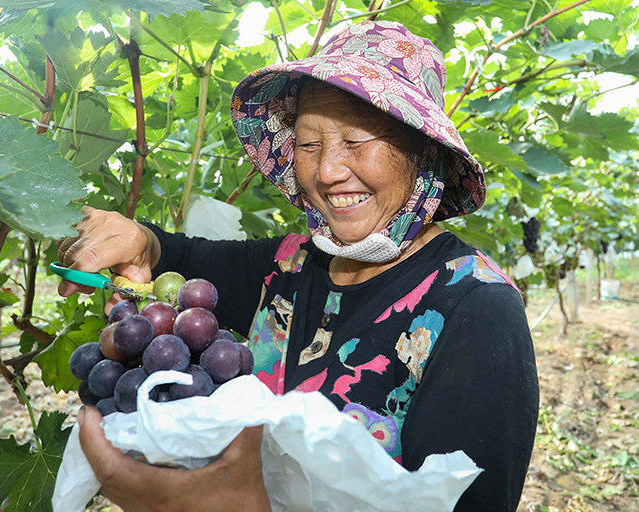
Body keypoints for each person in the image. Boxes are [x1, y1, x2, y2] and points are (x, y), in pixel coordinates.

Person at [57, 20, 539, 512]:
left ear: (423, 153)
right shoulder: (290, 264)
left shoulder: (478, 311)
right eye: (309, 144)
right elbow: (183, 257)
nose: (327, 171)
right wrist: (141, 242)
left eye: (356, 141)